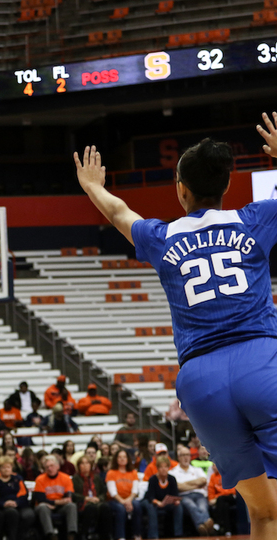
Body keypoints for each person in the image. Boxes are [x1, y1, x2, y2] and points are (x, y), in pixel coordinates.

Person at [76, 118, 277, 540]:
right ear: (224, 188)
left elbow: (118, 211)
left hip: (200, 383)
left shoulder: (163, 236)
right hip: (261, 363)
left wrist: (93, 185)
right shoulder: (254, 219)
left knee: (263, 511)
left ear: (181, 189)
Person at [171, 446, 214, 535]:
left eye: (187, 455)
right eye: (183, 455)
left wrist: (185, 484)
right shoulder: (173, 472)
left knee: (202, 507)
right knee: (192, 506)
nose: (186, 457)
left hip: (199, 495)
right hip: (184, 496)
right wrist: (195, 485)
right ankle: (206, 522)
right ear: (178, 457)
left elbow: (203, 481)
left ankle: (201, 526)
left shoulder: (196, 469)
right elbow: (178, 487)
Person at [33, 454, 77, 540]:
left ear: (57, 466)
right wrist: (57, 502)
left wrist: (54, 503)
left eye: (52, 466)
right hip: (46, 507)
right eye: (47, 467)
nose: (49, 468)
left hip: (60, 506)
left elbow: (68, 497)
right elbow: (40, 499)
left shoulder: (66, 478)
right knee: (42, 506)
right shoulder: (40, 479)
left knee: (71, 506)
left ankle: (71, 534)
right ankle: (51, 535)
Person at [143, 454, 183, 540]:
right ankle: (153, 536)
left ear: (169, 467)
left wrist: (176, 501)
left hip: (166, 502)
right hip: (152, 501)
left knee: (178, 507)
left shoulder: (172, 479)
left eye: (166, 467)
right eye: (161, 467)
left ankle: (178, 534)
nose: (164, 469)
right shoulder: (153, 479)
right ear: (157, 468)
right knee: (151, 507)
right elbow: (150, 496)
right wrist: (158, 503)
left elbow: (175, 494)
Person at [0, 457, 34, 540]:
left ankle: (22, 537)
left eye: (8, 467)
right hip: (4, 506)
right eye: (3, 467)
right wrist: (4, 504)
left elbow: (24, 494)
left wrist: (16, 502)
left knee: (29, 515)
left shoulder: (17, 478)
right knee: (12, 513)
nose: (6, 469)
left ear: (11, 468)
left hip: (20, 504)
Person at [106, 449, 142, 540]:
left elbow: (135, 490)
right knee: (120, 508)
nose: (122, 459)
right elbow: (112, 492)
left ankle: (137, 534)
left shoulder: (133, 472)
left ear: (128, 459)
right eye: (120, 457)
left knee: (137, 505)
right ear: (116, 459)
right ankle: (120, 536)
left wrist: (128, 500)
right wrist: (123, 501)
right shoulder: (111, 473)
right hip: (114, 500)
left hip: (130, 498)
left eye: (124, 457)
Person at [71, 456, 110, 540]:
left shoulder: (96, 477)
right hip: (83, 502)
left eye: (87, 463)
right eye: (82, 463)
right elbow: (73, 494)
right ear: (79, 466)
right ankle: (84, 534)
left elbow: (103, 492)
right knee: (90, 507)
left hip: (97, 501)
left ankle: (105, 535)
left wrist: (99, 498)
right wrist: (86, 498)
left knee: (105, 507)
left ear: (91, 465)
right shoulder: (75, 478)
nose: (85, 465)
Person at [208, 462, 237, 536]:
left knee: (220, 499)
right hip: (221, 500)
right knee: (225, 505)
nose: (213, 468)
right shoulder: (212, 476)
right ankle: (228, 530)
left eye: (215, 465)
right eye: (212, 466)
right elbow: (210, 490)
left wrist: (217, 497)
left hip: (231, 497)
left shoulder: (227, 474)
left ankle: (217, 522)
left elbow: (231, 490)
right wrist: (212, 498)